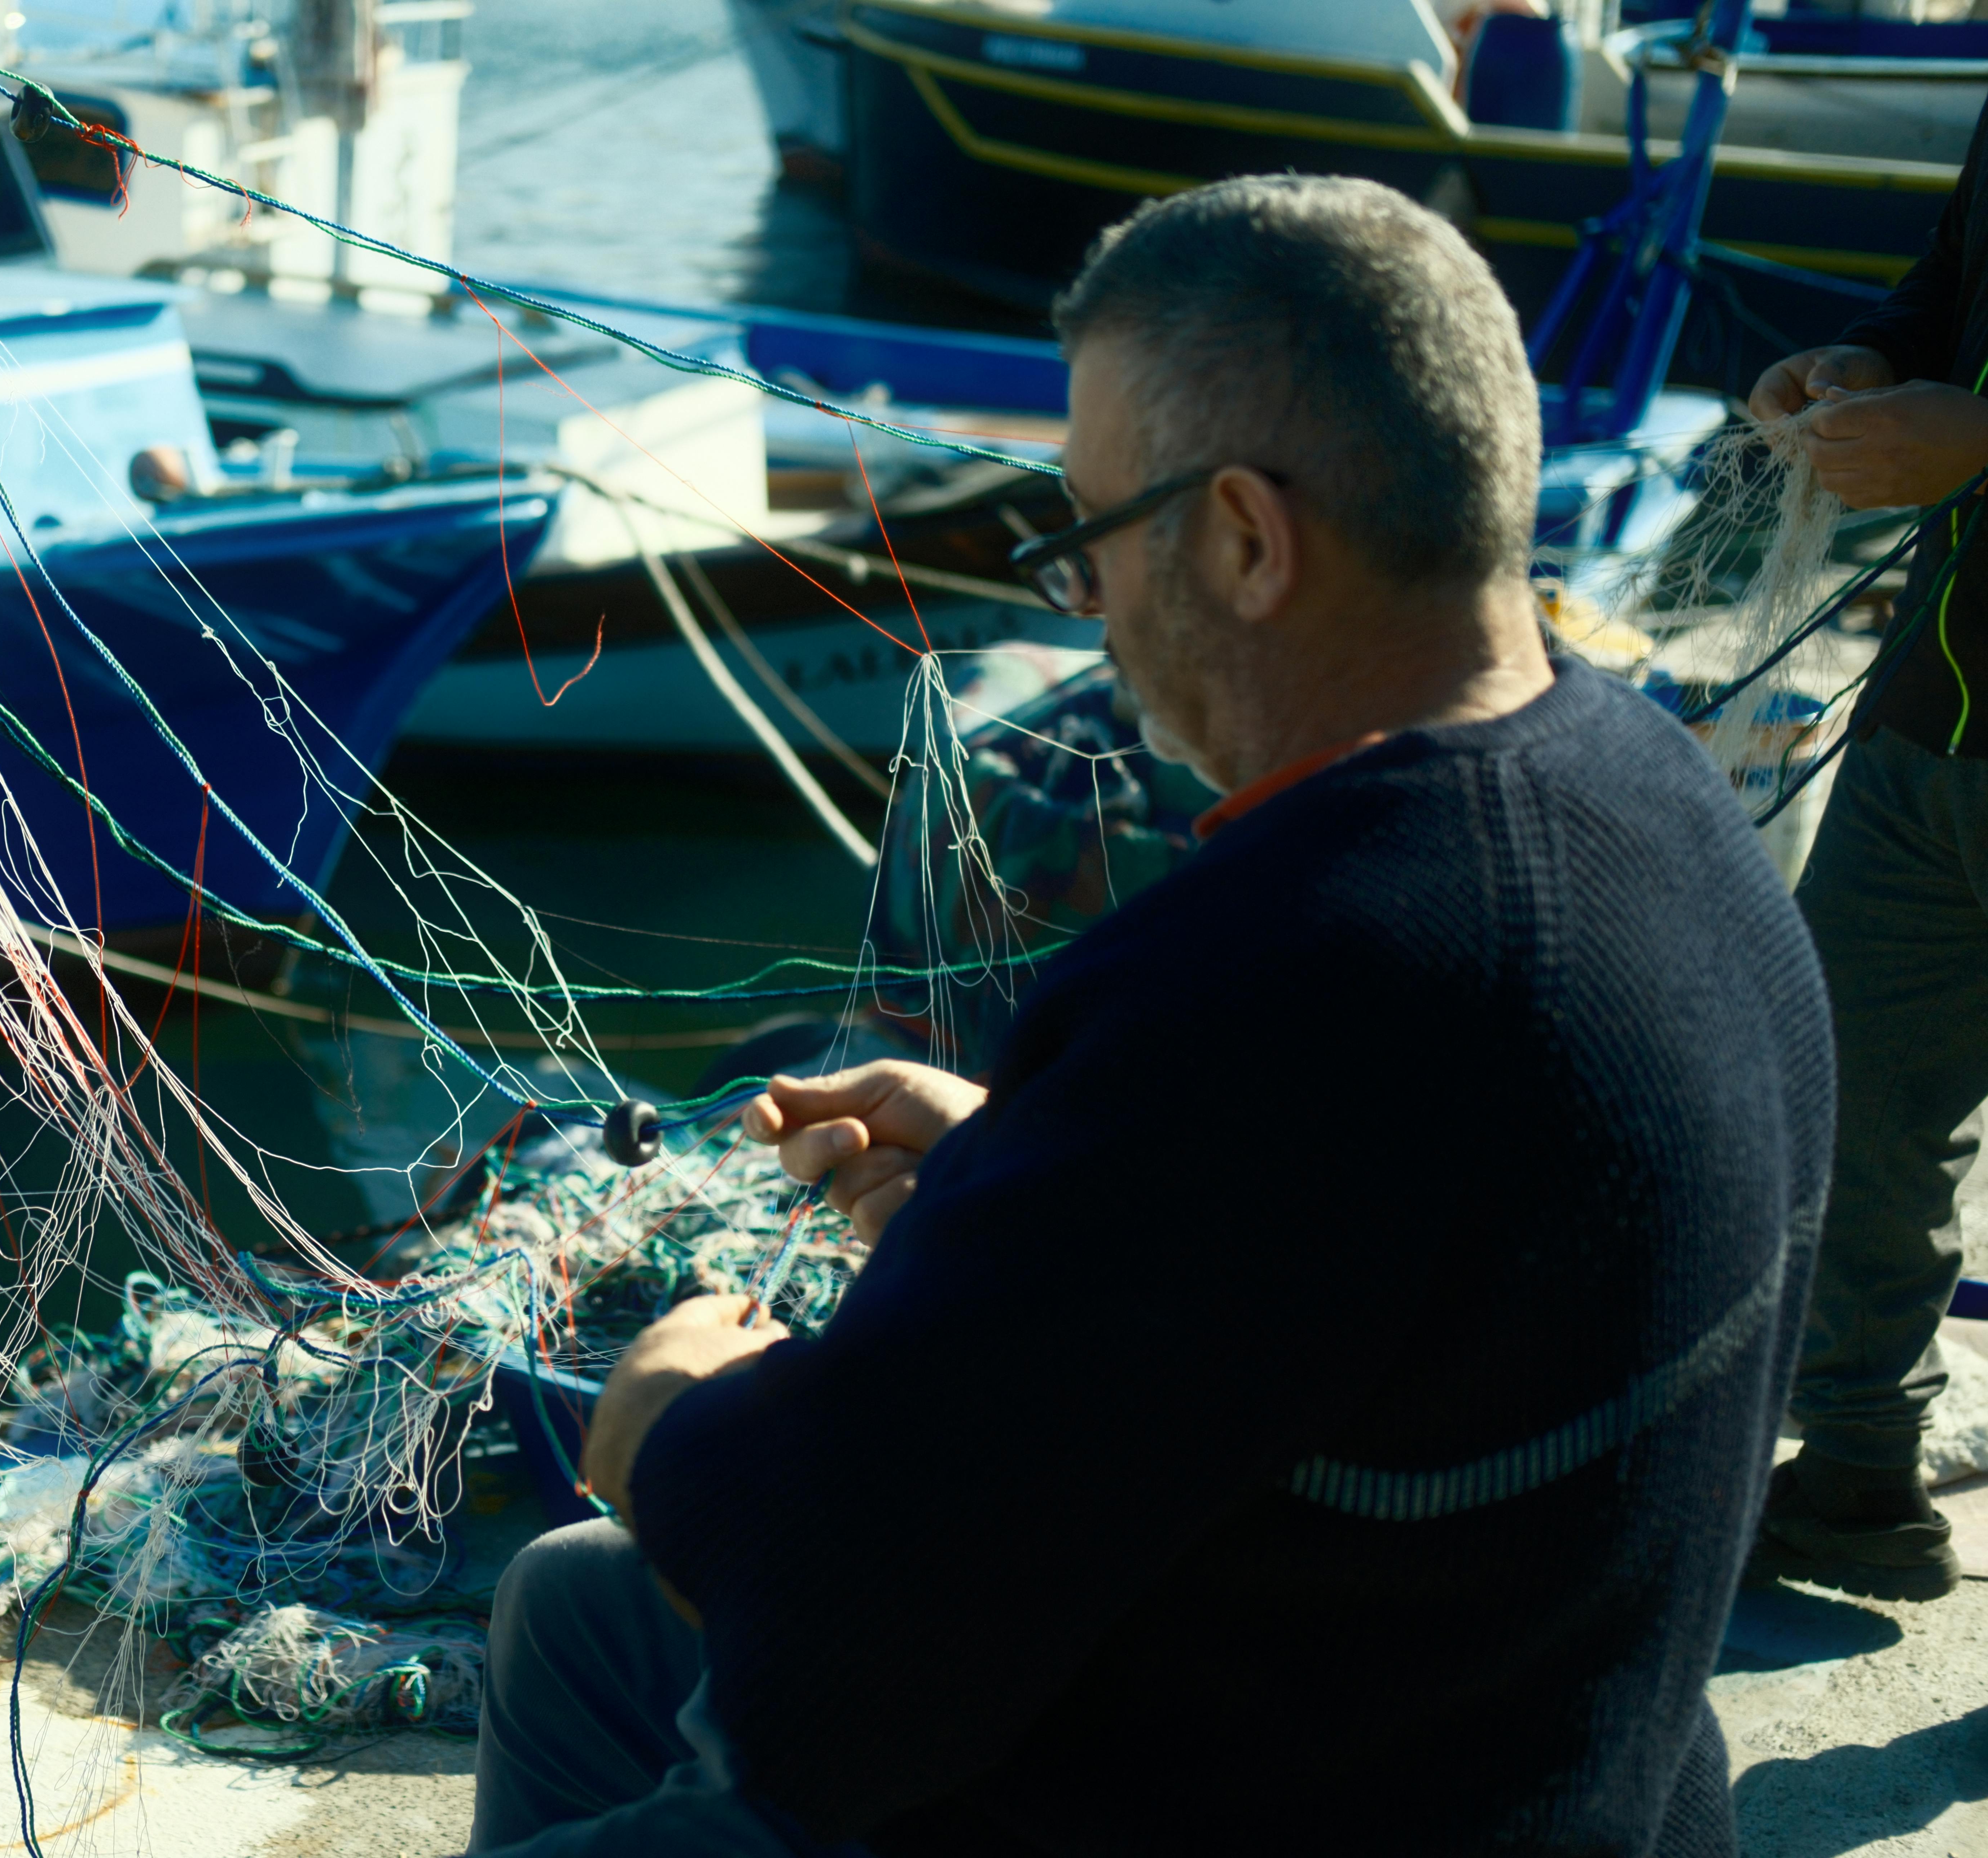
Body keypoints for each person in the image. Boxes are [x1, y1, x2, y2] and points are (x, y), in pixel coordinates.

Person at [464, 175, 1832, 1857]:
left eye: (1091, 534)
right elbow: (1356, 1266)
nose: (1086, 601)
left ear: (1249, 539)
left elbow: (841, 1691)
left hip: (1269, 1798)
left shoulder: (1290, 970)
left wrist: (675, 1431)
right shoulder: (1660, 804)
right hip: (1530, 1734)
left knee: (637, 1584)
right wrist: (1026, 1187)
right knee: (573, 1615)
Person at [1737, 96, 1988, 1603]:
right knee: (1853, 1109)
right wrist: (1867, 369)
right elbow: (1947, 284)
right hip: (1936, 722)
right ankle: (1856, 1486)